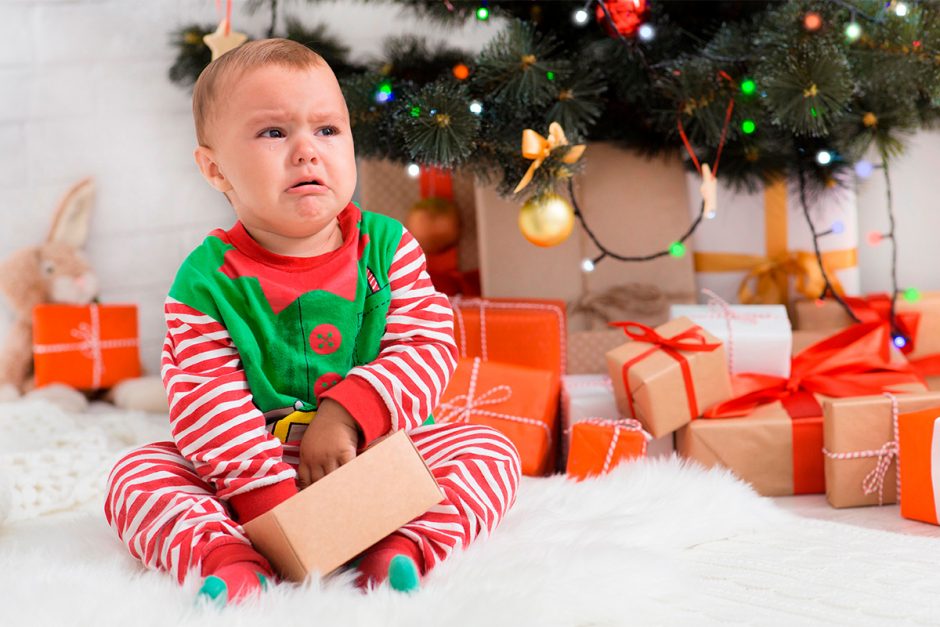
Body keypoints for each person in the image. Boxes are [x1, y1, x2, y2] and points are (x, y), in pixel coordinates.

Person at [103, 38, 521, 606]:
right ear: (214, 168)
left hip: (373, 460)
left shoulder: (387, 248)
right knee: (136, 476)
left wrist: (348, 414)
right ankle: (228, 559)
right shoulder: (204, 281)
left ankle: (402, 546)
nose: (307, 151)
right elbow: (207, 402)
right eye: (274, 132)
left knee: (489, 450)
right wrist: (268, 505)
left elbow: (426, 347)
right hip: (248, 478)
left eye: (327, 130)